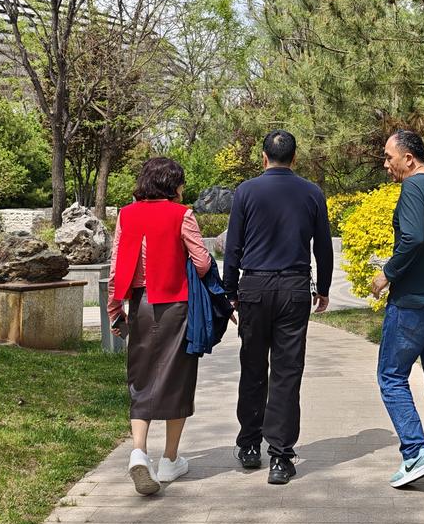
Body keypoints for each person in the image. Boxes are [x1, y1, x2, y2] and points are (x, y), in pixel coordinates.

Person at [222, 129, 333, 485]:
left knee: (252, 367)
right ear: (295, 158)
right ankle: (281, 458)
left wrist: (229, 291)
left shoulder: (246, 191)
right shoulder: (312, 192)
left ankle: (249, 445)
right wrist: (324, 288)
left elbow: (233, 246)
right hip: (294, 288)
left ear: (263, 157)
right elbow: (323, 247)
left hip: (254, 287)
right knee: (286, 372)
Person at [107, 156, 213, 496]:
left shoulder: (126, 214)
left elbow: (116, 268)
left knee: (141, 377)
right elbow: (202, 262)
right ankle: (169, 460)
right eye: (181, 182)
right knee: (177, 377)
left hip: (140, 304)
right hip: (176, 306)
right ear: (172, 185)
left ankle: (139, 451)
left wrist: (114, 310)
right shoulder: (182, 215)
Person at [370, 129, 424, 488]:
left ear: (409, 159)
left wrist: (386, 273)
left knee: (391, 376)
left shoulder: (412, 188)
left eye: (389, 157)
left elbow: (413, 238)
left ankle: (415, 453)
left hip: (412, 304)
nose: (386, 164)